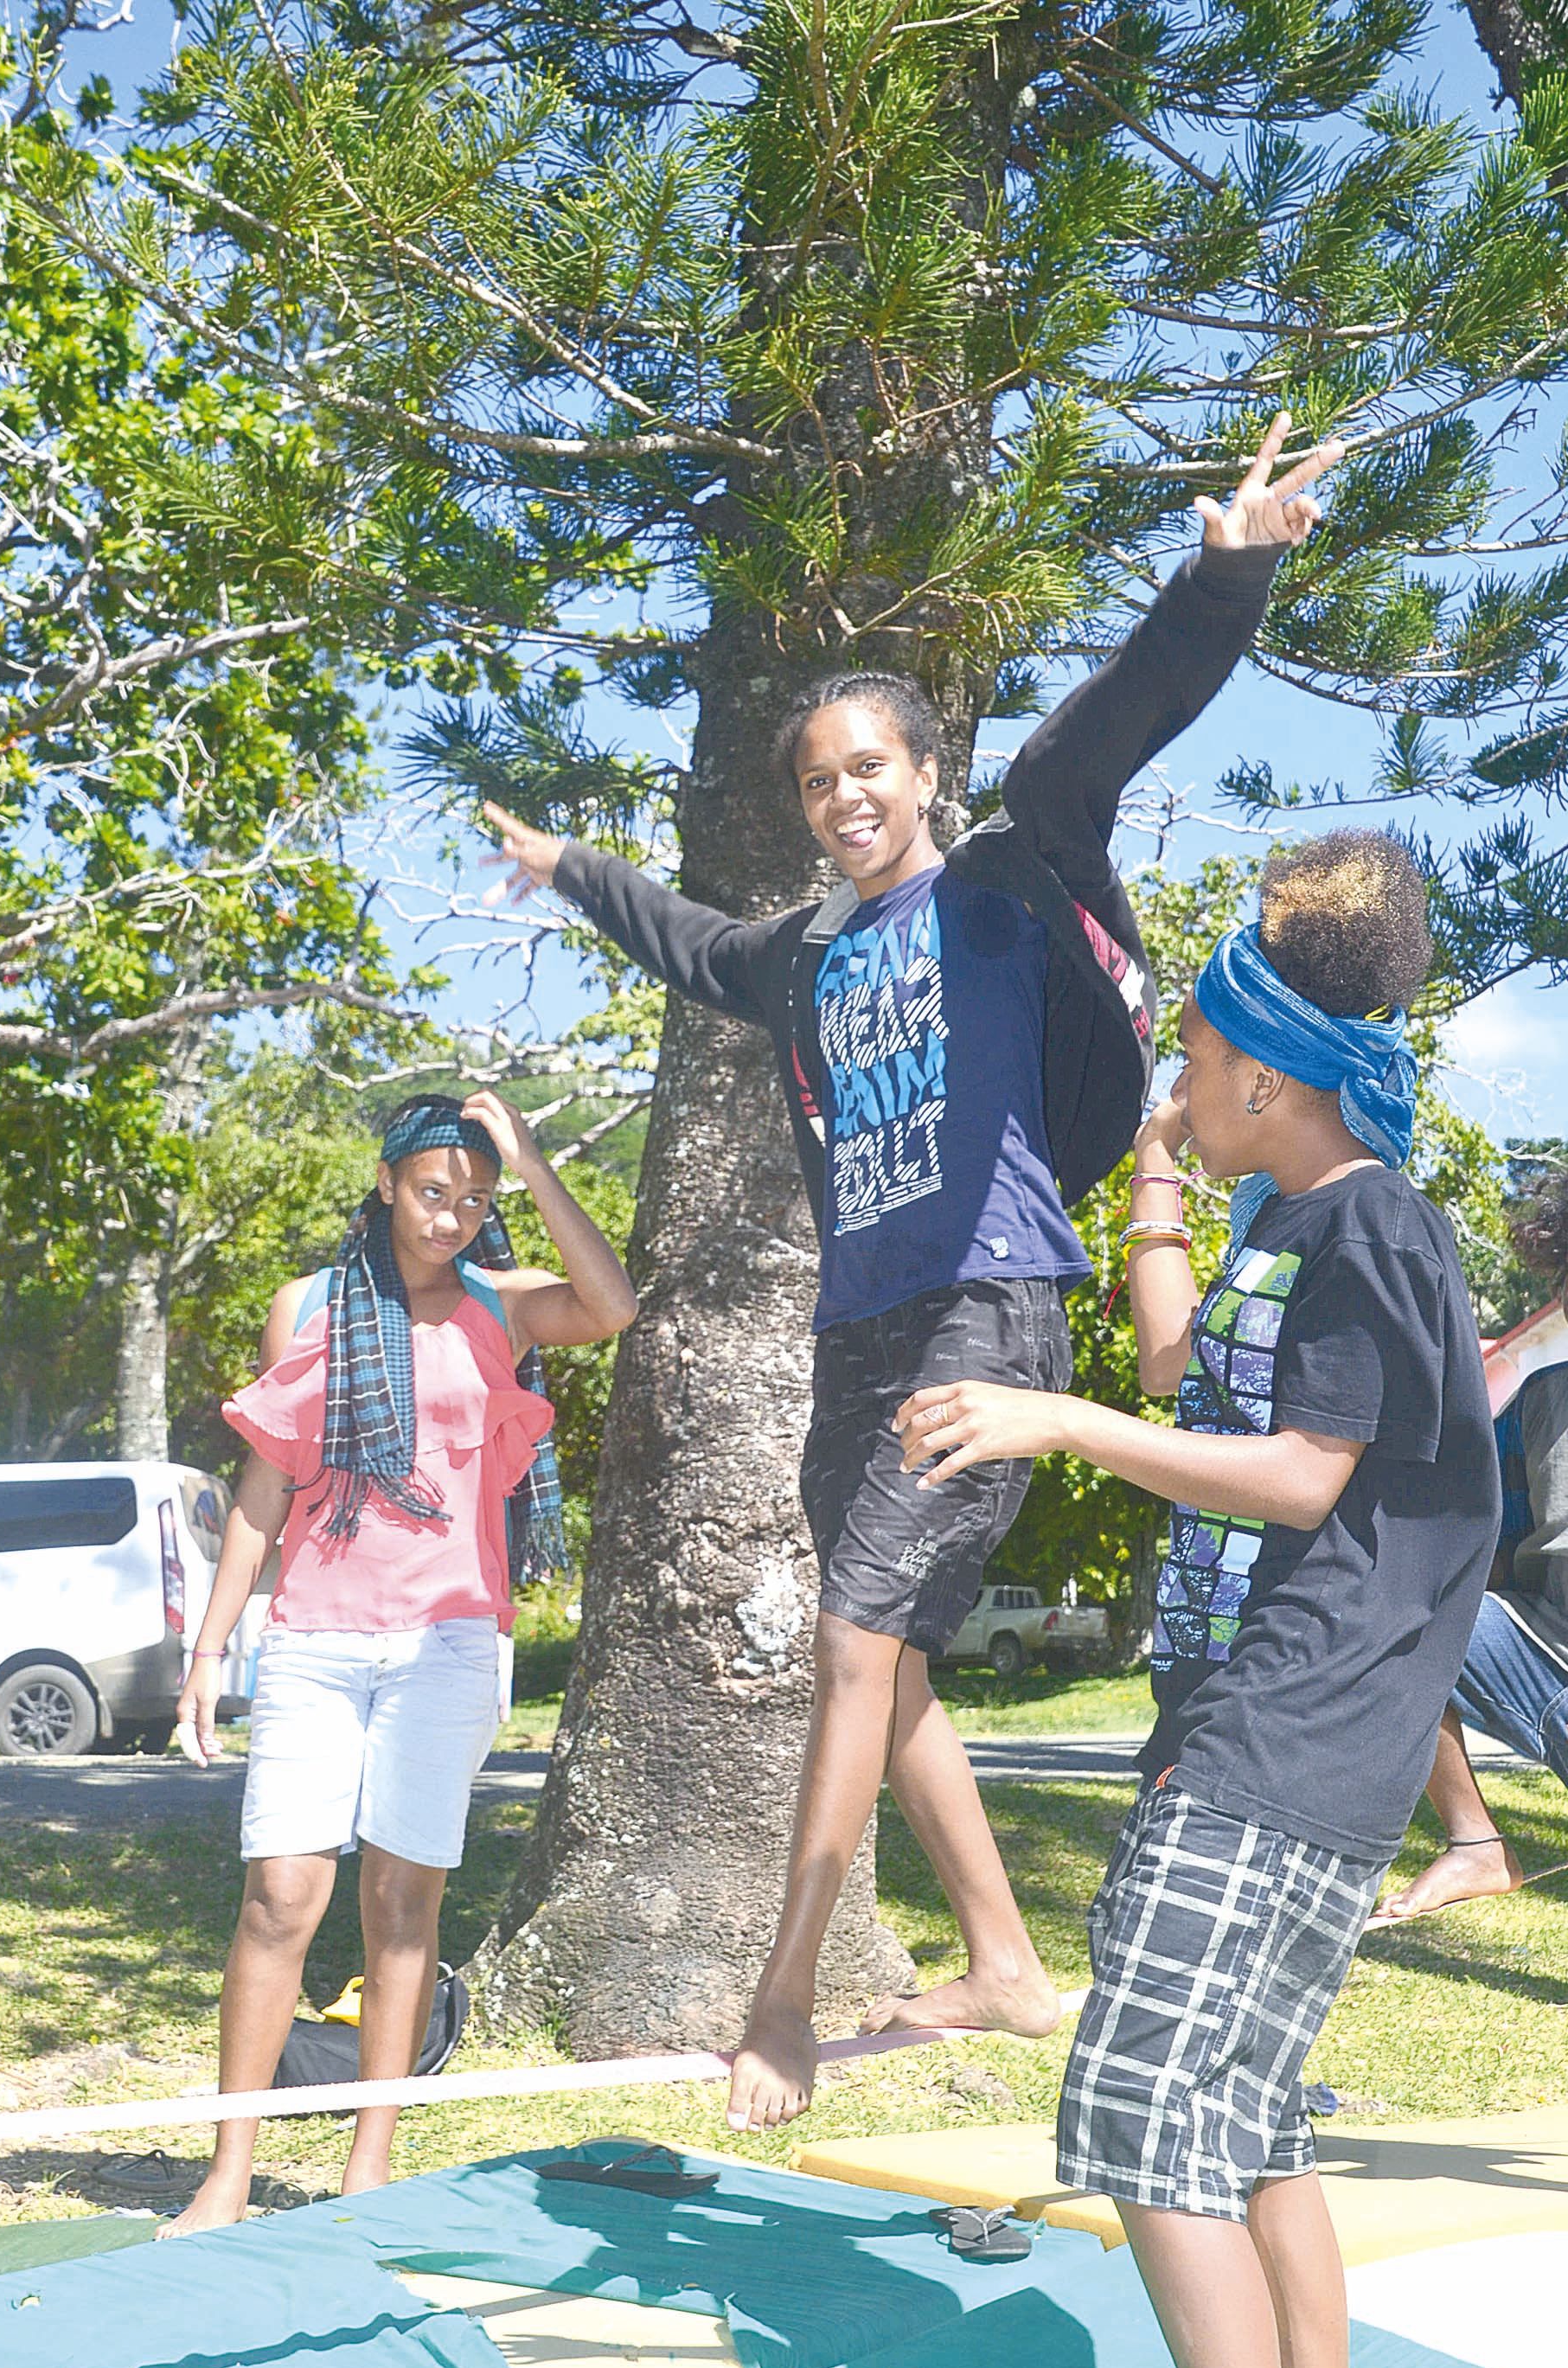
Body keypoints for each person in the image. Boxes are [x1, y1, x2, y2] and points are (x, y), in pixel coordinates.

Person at [484, 415, 1341, 2135]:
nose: (843, 796)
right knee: (897, 1672)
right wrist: (565, 869)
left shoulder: (1009, 886)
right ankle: (1004, 1961)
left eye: (868, 766)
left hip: (985, 1305)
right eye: (816, 781)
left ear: (920, 772)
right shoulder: (804, 951)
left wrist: (1228, 565)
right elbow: (692, 946)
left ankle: (784, 2000)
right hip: (848, 1329)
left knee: (852, 1639)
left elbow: (1115, 718)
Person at [895, 834, 1498, 2368]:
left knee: (1142, 2102)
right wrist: (1160, 1182)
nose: (1167, 1086)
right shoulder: (1303, 1220)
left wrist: (1047, 1422)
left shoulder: (1365, 1218)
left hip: (1290, 1733)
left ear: (1261, 1070)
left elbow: (1302, 1477)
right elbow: (1189, 1375)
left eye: (1186, 1063)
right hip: (1259, 1717)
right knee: (1248, 2119)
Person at [160, 1091, 636, 2237]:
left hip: (448, 1640)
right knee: (280, 1894)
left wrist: (524, 1156)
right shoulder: (306, 1309)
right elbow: (266, 1485)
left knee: (400, 1900)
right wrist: (211, 1642)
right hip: (317, 1637)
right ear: (384, 1184)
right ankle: (228, 2171)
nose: (452, 1218)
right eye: (434, 1192)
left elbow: (612, 1304)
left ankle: (369, 2162)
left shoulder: (501, 1306)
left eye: (475, 1200)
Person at [1374, 1167, 1568, 1921]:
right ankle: (1475, 1846)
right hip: (1551, 1662)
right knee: (1388, 1611)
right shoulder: (1534, 1406)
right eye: (1567, 1268)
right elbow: (1482, 1553)